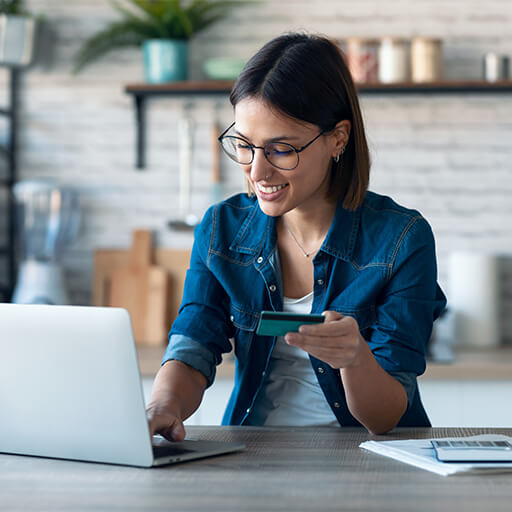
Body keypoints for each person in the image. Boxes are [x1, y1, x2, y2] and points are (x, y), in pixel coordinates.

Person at [146, 32, 447, 441]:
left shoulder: (401, 239)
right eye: (245, 145)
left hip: (369, 464)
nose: (256, 171)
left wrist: (355, 357)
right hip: (253, 454)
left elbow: (386, 418)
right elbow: (194, 343)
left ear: (338, 138)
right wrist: (161, 407)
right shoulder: (221, 228)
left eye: (281, 149)